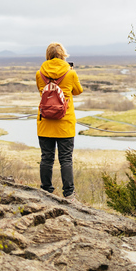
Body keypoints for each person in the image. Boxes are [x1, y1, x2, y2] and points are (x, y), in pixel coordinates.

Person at [36, 42, 83, 199]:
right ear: (63, 55)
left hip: (45, 122)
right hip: (65, 123)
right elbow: (78, 91)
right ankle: (69, 193)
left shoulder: (39, 73)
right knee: (66, 159)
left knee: (46, 158)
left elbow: (41, 91)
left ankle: (45, 189)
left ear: (48, 55)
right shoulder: (70, 74)